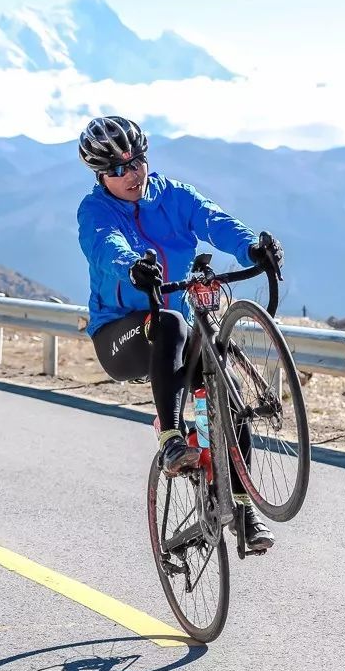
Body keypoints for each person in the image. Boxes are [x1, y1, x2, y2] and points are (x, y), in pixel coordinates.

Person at [75, 115, 285, 551]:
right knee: (168, 321)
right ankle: (172, 440)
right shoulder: (94, 210)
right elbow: (104, 246)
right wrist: (133, 265)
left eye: (136, 163)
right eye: (117, 169)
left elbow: (213, 220)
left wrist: (251, 246)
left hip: (172, 328)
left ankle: (242, 515)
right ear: (101, 175)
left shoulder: (172, 196)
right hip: (120, 333)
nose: (131, 174)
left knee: (229, 399)